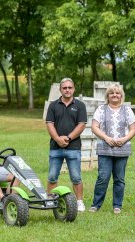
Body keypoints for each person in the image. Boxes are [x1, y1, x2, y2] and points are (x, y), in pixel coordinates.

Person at [89, 84, 135, 214]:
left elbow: (133, 129)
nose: (115, 95)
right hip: (105, 148)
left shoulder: (127, 110)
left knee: (119, 179)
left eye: (117, 93)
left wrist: (125, 139)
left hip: (122, 149)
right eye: (112, 93)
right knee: (103, 177)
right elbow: (94, 127)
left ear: (121, 95)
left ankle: (117, 205)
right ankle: (96, 204)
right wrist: (106, 138)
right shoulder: (101, 109)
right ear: (108, 96)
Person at [45, 77, 87, 212]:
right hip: (55, 147)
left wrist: (68, 138)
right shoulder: (53, 105)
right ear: (60, 89)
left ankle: (79, 202)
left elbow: (82, 125)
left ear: (73, 89)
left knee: (76, 176)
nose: (67, 90)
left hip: (73, 148)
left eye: (70, 87)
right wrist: (57, 139)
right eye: (64, 88)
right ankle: (50, 200)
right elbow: (49, 124)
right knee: (52, 176)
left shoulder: (80, 105)